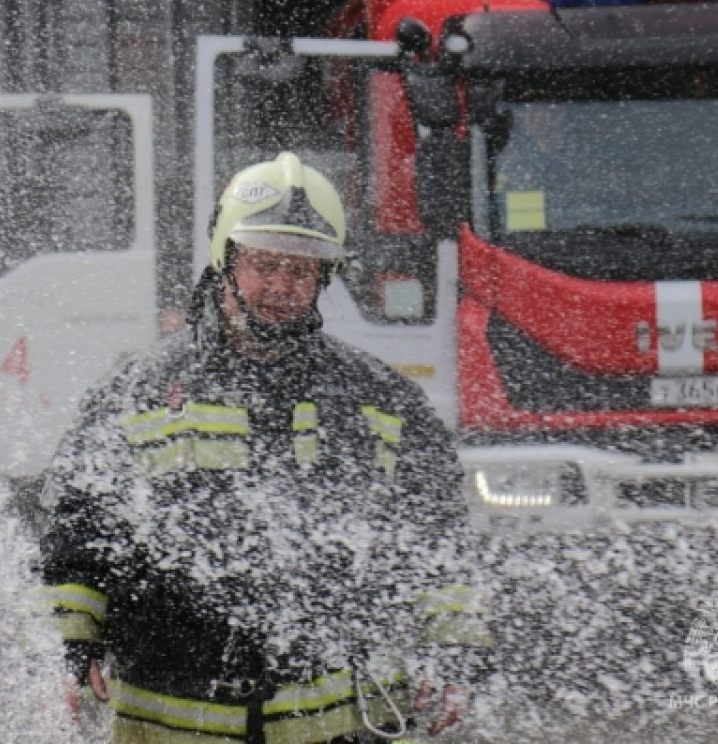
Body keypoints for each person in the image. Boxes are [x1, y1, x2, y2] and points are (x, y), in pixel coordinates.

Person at [35, 152, 493, 743]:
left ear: (325, 277)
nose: (281, 286)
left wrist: (451, 652)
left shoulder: (382, 402)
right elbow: (78, 527)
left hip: (334, 725)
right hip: (169, 722)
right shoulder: (138, 392)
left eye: (302, 271)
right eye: (264, 265)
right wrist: (66, 649)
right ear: (225, 257)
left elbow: (434, 534)